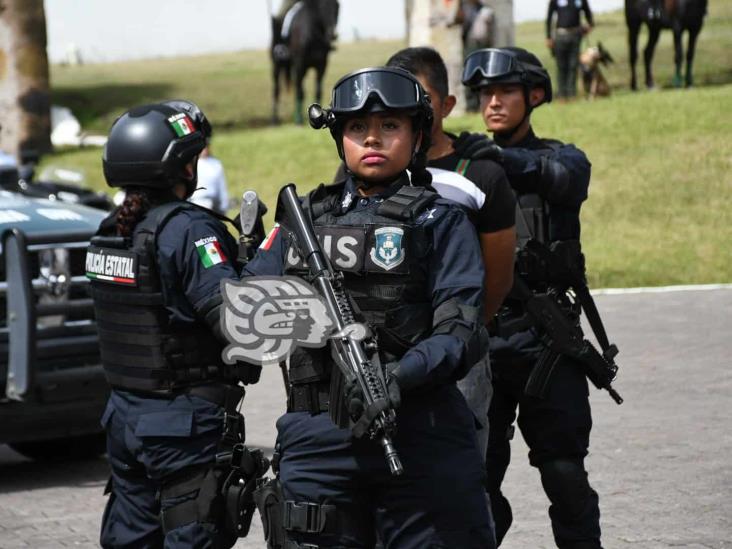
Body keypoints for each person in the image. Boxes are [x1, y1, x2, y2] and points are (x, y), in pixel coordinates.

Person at [243, 66, 495, 547]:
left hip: (419, 430)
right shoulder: (302, 221)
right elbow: (249, 307)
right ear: (340, 138)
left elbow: (461, 329)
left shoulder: (441, 220)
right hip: (319, 435)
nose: (373, 139)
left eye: (390, 126)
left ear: (418, 135)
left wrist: (397, 376)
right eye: (357, 128)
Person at [89, 100, 263, 548]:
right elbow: (240, 325)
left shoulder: (110, 230)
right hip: (181, 426)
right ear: (179, 166)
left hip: (125, 418)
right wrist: (268, 263)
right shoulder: (188, 230)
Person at [458, 48, 602, 549]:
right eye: (484, 95)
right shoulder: (468, 171)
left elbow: (563, 179)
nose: (492, 103)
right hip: (483, 338)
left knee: (565, 474)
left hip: (546, 340)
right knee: (472, 480)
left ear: (535, 96)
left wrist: (496, 160)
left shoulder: (563, 158)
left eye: (505, 92)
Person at [385, 45, 516, 458]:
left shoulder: (481, 174)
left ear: (447, 104)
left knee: (460, 489)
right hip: (384, 361)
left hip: (458, 361)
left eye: (420, 98)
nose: (408, 109)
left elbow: (496, 281)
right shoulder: (365, 171)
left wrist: (457, 335)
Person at [546, 0, 594, 99]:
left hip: (576, 35)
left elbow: (587, 12)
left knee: (573, 65)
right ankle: (561, 94)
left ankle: (572, 93)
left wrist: (590, 24)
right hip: (560, 36)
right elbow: (549, 17)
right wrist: (548, 37)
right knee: (561, 66)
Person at [190, 142, 230, 215]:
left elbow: (221, 186)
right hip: (194, 202)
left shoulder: (216, 164)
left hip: (211, 202)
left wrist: (224, 206)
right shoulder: (192, 164)